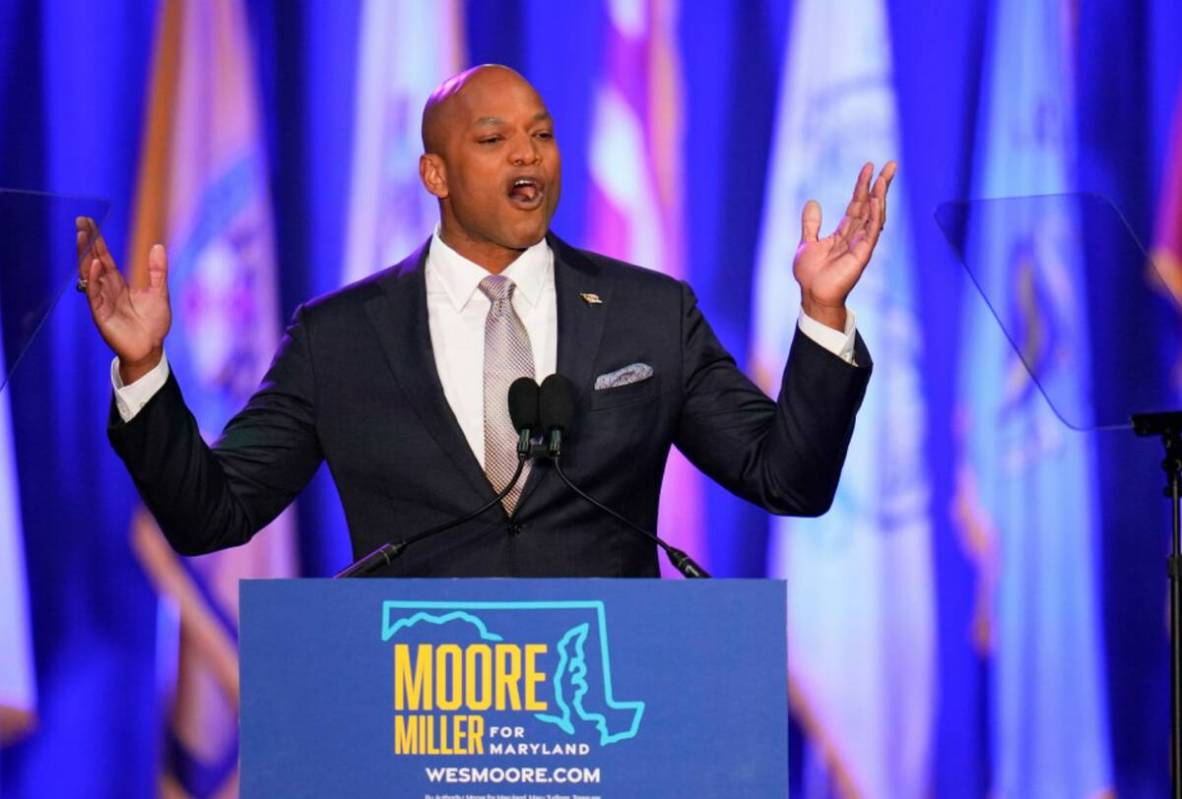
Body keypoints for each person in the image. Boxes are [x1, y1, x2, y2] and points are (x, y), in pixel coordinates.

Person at [77, 65, 894, 577]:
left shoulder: (651, 314)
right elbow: (211, 513)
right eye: (495, 138)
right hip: (415, 731)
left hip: (605, 733)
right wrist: (147, 370)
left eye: (540, 135)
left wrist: (823, 313)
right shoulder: (341, 338)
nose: (528, 155)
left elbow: (787, 478)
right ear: (435, 171)